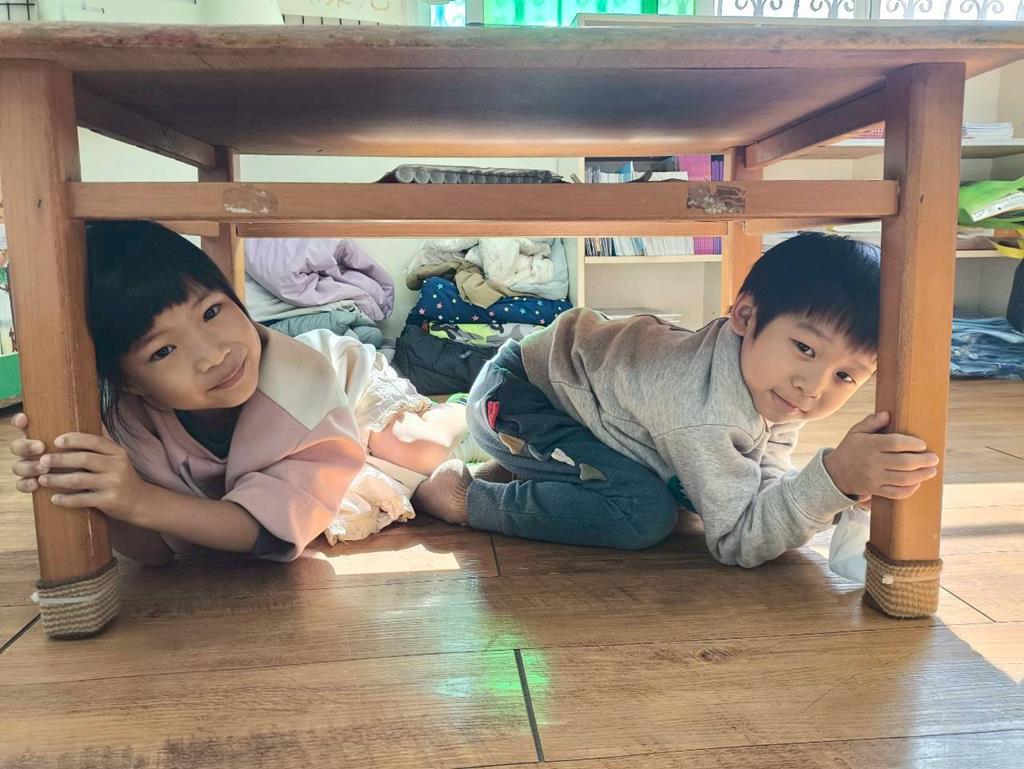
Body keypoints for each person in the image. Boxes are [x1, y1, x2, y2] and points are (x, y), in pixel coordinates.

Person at [412, 233, 940, 568]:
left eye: (846, 375)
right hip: (519, 400)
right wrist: (834, 479)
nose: (814, 386)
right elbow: (736, 540)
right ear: (745, 316)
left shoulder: (771, 382)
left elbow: (760, 477)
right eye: (805, 348)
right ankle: (465, 496)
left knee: (681, 492)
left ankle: (535, 473)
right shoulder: (702, 411)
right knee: (645, 513)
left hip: (577, 403)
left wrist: (836, 492)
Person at [9, 221, 467, 565]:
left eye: (211, 312)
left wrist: (139, 500)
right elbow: (153, 552)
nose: (213, 355)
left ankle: (471, 407)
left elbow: (263, 529)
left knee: (418, 447)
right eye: (164, 350)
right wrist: (87, 484)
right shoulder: (123, 422)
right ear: (127, 381)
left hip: (342, 384)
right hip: (292, 442)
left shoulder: (303, 382)